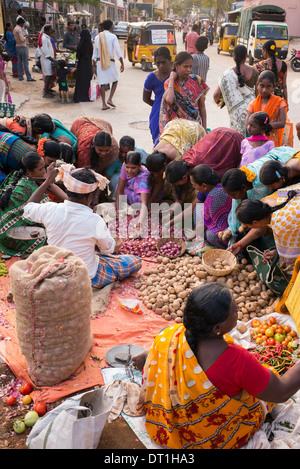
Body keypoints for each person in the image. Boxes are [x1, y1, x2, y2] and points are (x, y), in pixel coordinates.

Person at [139, 282, 296, 449]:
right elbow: (280, 392)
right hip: (210, 438)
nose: (238, 311)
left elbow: (153, 361)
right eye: (233, 310)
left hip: (168, 427)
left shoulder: (168, 335)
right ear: (217, 328)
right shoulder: (236, 361)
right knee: (262, 392)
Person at [23, 164, 142, 289]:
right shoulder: (95, 220)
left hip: (55, 274)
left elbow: (28, 208)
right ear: (90, 196)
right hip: (86, 279)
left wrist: (48, 181)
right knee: (134, 261)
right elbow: (108, 250)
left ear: (67, 190)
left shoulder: (50, 209)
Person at [221, 146, 296, 247]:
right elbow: (237, 210)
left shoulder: (264, 184)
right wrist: (231, 230)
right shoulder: (244, 178)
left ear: (243, 188)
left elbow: (263, 218)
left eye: (233, 194)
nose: (232, 198)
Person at [0, 152, 66, 257]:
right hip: (10, 236)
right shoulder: (28, 187)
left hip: (3, 231)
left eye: (44, 167)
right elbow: (50, 211)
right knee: (54, 227)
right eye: (40, 169)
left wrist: (69, 200)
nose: (44, 171)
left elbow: (49, 186)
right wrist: (48, 180)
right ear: (28, 171)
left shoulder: (17, 176)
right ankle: (28, 250)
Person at [235, 186, 300, 278]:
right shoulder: (265, 203)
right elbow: (261, 227)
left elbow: (290, 258)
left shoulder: (281, 225)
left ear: (255, 222)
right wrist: (239, 244)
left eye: (247, 226)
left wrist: (279, 255)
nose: (247, 228)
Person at [166, 164, 232, 254]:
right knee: (197, 208)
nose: (194, 188)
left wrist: (189, 238)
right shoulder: (207, 189)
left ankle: (229, 248)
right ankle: (201, 235)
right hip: (217, 220)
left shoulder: (215, 195)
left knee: (211, 236)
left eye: (194, 185)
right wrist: (170, 223)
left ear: (204, 185)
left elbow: (203, 223)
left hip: (228, 226)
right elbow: (191, 209)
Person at [213, 45, 258, 136]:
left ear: (234, 57)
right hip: (252, 111)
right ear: (246, 56)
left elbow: (216, 95)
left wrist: (223, 100)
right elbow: (258, 95)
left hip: (236, 115)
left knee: (237, 139)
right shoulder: (254, 72)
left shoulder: (227, 74)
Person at [160, 51, 209, 133]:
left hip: (194, 128)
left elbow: (202, 106)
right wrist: (172, 79)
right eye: (185, 67)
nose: (189, 70)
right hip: (176, 129)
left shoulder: (196, 80)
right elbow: (169, 100)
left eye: (190, 66)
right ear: (176, 65)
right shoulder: (169, 83)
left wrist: (204, 128)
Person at [246, 71, 288, 147]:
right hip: (256, 143)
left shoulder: (280, 103)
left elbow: (282, 123)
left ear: (273, 87)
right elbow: (247, 125)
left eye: (268, 86)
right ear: (257, 85)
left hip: (273, 142)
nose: (264, 90)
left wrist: (268, 126)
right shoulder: (252, 104)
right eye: (262, 86)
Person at [143, 47, 173, 145]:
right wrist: (160, 107)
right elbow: (145, 99)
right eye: (158, 63)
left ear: (170, 60)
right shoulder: (151, 77)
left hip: (175, 114)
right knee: (159, 145)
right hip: (157, 115)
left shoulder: (176, 75)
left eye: (164, 62)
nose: (161, 66)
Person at [92, 19, 124, 110]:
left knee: (102, 83)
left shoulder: (98, 37)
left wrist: (94, 65)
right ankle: (110, 99)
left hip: (99, 62)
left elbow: (95, 52)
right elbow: (118, 51)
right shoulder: (113, 36)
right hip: (110, 62)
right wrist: (122, 63)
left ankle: (103, 104)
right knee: (115, 79)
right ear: (111, 27)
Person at [115, 151, 151, 226]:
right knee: (117, 187)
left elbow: (144, 203)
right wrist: (118, 210)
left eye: (133, 168)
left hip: (142, 195)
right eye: (127, 167)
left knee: (139, 200)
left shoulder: (143, 177)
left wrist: (139, 223)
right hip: (131, 189)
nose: (129, 171)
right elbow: (120, 188)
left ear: (139, 165)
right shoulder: (124, 165)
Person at [254, 39, 288, 105]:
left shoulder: (259, 65)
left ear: (265, 51)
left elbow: (256, 87)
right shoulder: (284, 65)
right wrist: (286, 103)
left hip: (264, 102)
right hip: (278, 102)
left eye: (262, 51)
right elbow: (284, 87)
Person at [73, 29, 93, 103]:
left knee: (80, 81)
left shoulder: (80, 44)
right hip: (88, 65)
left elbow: (78, 56)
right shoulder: (90, 44)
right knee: (87, 81)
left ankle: (79, 96)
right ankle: (86, 96)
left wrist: (76, 65)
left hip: (81, 64)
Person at [13, 17, 36, 82]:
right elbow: (22, 39)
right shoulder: (19, 29)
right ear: (21, 23)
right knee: (25, 62)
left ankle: (20, 76)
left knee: (19, 62)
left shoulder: (15, 29)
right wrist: (26, 37)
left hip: (17, 46)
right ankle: (28, 77)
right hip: (22, 46)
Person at [39, 24, 56, 98]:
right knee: (48, 75)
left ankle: (48, 89)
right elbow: (45, 51)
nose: (51, 31)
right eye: (50, 30)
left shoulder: (46, 37)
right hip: (47, 59)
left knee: (50, 74)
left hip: (49, 59)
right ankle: (45, 92)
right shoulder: (44, 38)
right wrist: (52, 59)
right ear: (46, 30)